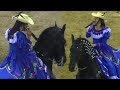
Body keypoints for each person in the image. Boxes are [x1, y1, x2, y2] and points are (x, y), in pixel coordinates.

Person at [0, 12, 51, 79]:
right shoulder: (21, 36)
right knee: (37, 65)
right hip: (21, 58)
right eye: (26, 24)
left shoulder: (10, 31)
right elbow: (27, 49)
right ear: (22, 25)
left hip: (12, 56)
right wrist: (29, 37)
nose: (27, 26)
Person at [86, 12, 120, 79]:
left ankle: (112, 76)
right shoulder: (92, 28)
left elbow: (103, 43)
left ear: (100, 20)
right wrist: (89, 28)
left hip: (104, 49)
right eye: (94, 18)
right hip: (94, 48)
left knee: (109, 64)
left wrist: (96, 44)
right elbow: (87, 36)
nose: (94, 19)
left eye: (96, 18)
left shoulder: (105, 30)